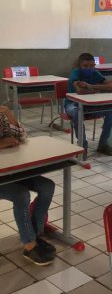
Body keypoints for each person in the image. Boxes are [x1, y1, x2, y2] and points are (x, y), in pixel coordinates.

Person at [0, 106, 57, 266]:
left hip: (10, 171)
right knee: (21, 195)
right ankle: (29, 244)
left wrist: (7, 112)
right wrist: (3, 143)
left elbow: (22, 137)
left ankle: (34, 234)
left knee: (47, 186)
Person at [65, 53, 112, 156]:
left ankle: (103, 144)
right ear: (79, 65)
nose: (89, 68)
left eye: (92, 65)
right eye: (85, 66)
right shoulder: (76, 72)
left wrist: (90, 86)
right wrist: (100, 89)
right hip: (72, 104)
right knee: (77, 113)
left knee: (111, 111)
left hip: (90, 105)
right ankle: (82, 146)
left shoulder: (95, 72)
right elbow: (80, 91)